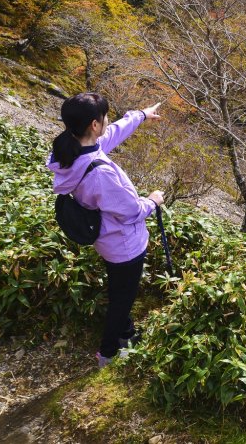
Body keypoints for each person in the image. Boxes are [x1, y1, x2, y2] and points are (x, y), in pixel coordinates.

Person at [47, 92, 164, 368]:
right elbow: (132, 211)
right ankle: (108, 354)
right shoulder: (101, 174)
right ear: (94, 125)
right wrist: (154, 200)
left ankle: (127, 334)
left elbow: (112, 134)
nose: (107, 122)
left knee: (119, 290)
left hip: (106, 240)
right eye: (103, 118)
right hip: (124, 245)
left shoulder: (70, 151)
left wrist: (141, 115)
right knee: (122, 300)